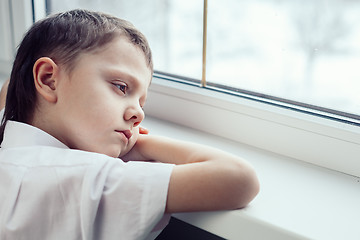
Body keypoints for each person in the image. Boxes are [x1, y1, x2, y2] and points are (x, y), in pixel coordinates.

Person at [0, 9, 259, 240]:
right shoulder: (90, 179)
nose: (138, 114)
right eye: (121, 87)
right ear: (48, 80)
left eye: (142, 103)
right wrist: (143, 144)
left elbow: (10, 89)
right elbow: (239, 178)